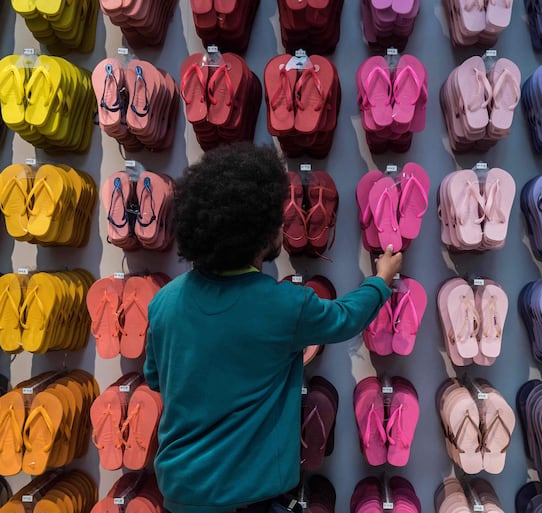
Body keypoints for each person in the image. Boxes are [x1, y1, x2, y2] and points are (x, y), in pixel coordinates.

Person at [143, 142, 402, 513]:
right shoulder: (284, 306)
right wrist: (381, 280)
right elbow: (345, 318)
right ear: (261, 233)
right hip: (250, 498)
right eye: (277, 218)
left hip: (180, 494)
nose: (285, 223)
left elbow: (156, 379)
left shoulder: (163, 302)